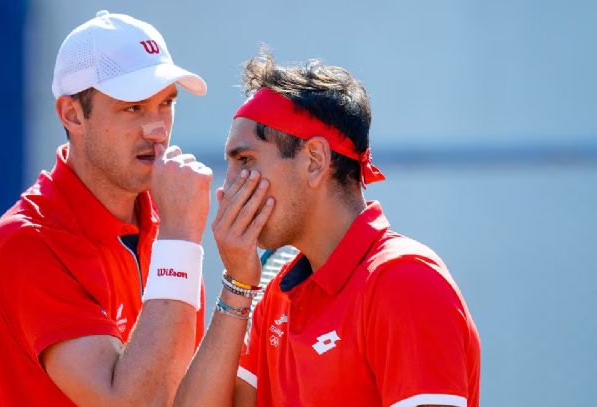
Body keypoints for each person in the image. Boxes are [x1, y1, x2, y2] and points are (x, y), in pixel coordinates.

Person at [175, 50, 481, 407]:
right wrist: (237, 284)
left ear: (315, 161)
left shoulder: (405, 281)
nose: (228, 187)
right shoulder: (275, 297)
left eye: (245, 160)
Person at [0, 10, 212, 406]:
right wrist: (179, 241)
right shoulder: (23, 243)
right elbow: (135, 402)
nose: (157, 128)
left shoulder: (168, 217)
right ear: (72, 114)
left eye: (166, 104)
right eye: (133, 107)